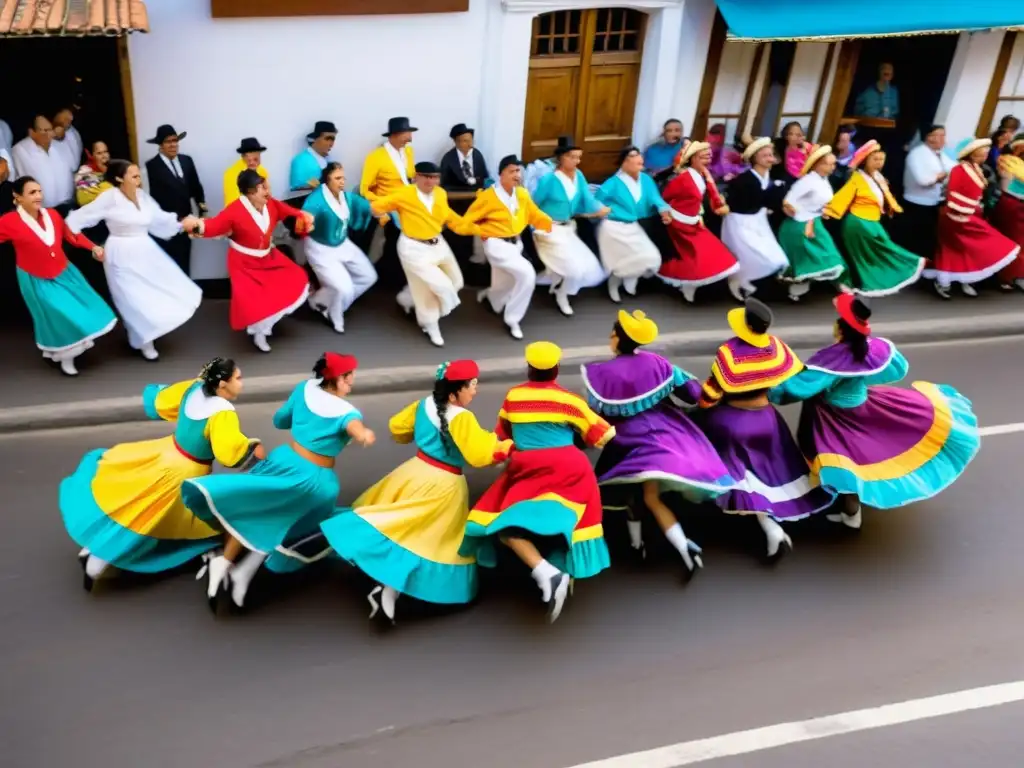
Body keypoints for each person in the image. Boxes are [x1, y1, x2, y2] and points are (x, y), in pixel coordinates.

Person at [320, 359, 512, 624]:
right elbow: (480, 455)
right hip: (444, 485)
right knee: (426, 543)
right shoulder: (462, 418)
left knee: (401, 531)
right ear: (458, 389)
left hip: (413, 473)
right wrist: (506, 446)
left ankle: (386, 588)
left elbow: (397, 427)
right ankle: (390, 591)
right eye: (472, 386)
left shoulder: (425, 404)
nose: (475, 392)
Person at [183, 353, 375, 612]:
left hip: (285, 459)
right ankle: (239, 569)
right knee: (281, 520)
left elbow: (280, 420)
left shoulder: (304, 389)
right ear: (335, 379)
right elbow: (353, 427)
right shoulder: (348, 413)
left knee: (259, 510)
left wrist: (301, 420)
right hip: (312, 481)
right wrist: (362, 434)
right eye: (348, 376)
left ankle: (228, 565)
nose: (352, 381)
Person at [769, 295, 979, 529]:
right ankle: (849, 509)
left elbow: (800, 387)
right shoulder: (872, 347)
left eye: (837, 320)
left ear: (841, 328)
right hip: (863, 404)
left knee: (846, 462)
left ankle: (850, 514)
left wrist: (768, 392)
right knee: (858, 458)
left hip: (838, 416)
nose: (834, 323)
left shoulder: (835, 358)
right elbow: (895, 368)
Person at [59, 358, 262, 591]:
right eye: (238, 378)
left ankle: (94, 547)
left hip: (164, 453)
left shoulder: (194, 387)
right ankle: (97, 563)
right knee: (148, 519)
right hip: (184, 472)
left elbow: (163, 400)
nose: (242, 383)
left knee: (131, 503)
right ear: (223, 384)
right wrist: (252, 448)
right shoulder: (223, 412)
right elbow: (229, 453)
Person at [461, 342, 615, 623]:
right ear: (555, 370)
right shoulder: (569, 401)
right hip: (570, 469)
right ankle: (555, 573)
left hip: (527, 469)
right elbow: (602, 435)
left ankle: (545, 571)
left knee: (505, 526)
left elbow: (502, 434)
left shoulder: (514, 397)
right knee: (567, 524)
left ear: (529, 369)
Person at [582, 310, 736, 578]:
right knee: (650, 497)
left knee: (636, 495)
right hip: (666, 434)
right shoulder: (660, 364)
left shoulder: (600, 374)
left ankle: (639, 543)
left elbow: (594, 416)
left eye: (613, 333)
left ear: (618, 339)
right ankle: (681, 546)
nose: (610, 337)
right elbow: (693, 394)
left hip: (628, 442)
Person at [691, 300, 837, 559]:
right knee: (769, 476)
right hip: (767, 420)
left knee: (742, 477)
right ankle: (772, 526)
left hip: (732, 422)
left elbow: (712, 392)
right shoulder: (776, 349)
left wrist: (701, 407)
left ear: (744, 325)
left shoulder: (728, 352)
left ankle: (770, 528)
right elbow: (788, 379)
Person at [66, 160, 203, 361]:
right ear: (120, 178)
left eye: (139, 175)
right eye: (134, 175)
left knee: (155, 291)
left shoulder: (143, 197)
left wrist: (182, 224)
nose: (139, 179)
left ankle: (144, 333)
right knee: (131, 297)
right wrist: (91, 246)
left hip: (146, 250)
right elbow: (77, 219)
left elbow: (160, 219)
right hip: (120, 252)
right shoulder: (108, 198)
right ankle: (143, 340)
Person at [0, 176, 116, 376]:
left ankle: (61, 351)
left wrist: (94, 247)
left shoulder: (53, 215)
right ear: (17, 197)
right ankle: (66, 357)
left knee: (81, 309)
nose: (38, 196)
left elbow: (71, 235)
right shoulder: (8, 221)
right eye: (32, 192)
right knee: (58, 315)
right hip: (35, 278)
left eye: (39, 191)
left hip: (64, 273)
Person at [190, 169, 314, 352]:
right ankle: (259, 333)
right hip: (244, 263)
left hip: (268, 258)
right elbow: (213, 226)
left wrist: (304, 216)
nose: (267, 191)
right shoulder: (233, 211)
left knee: (298, 278)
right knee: (255, 303)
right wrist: (196, 225)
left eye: (265, 186)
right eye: (261, 188)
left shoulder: (271, 205)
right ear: (249, 192)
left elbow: (290, 211)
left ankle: (265, 326)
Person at [370, 161, 480, 348]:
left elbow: (450, 218)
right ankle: (430, 324)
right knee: (439, 287)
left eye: (435, 177)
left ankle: (406, 298)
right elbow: (376, 207)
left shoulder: (440, 194)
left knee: (456, 282)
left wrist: (477, 227)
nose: (431, 181)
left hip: (438, 243)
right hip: (413, 248)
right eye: (427, 177)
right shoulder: (404, 194)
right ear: (416, 177)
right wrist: (384, 218)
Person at [462, 155, 553, 340]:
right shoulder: (488, 197)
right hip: (496, 244)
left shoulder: (522, 194)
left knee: (505, 280)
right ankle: (513, 319)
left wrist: (548, 225)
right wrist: (482, 231)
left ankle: (491, 299)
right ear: (501, 174)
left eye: (518, 171)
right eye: (512, 171)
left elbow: (534, 214)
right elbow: (468, 219)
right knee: (527, 274)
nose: (516, 175)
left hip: (515, 244)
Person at [823, 140, 925, 296]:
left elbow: (885, 197)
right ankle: (912, 263)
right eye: (875, 159)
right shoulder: (856, 178)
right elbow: (843, 197)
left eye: (881, 159)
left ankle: (856, 281)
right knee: (866, 254)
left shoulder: (878, 177)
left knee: (874, 252)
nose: (879, 163)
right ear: (865, 161)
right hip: (858, 222)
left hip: (872, 221)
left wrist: (892, 208)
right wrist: (829, 211)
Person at [925, 137, 1021, 299]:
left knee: (968, 250)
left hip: (971, 215)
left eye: (985, 153)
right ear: (972, 154)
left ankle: (966, 280)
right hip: (954, 217)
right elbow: (953, 194)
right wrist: (966, 211)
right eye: (982, 154)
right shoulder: (958, 170)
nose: (985, 156)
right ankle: (944, 282)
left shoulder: (977, 168)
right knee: (955, 248)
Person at [530, 135, 609, 316]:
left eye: (578, 157)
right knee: (573, 269)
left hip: (567, 228)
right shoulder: (549, 179)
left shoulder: (579, 176)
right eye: (572, 157)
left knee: (591, 268)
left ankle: (558, 285)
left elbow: (587, 199)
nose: (576, 161)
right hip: (549, 229)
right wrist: (536, 226)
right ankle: (561, 295)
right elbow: (534, 204)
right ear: (561, 158)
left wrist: (600, 208)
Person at [657, 139, 739, 303]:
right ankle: (688, 286)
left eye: (708, 158)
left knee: (714, 253)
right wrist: (667, 214)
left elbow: (713, 198)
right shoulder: (683, 178)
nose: (707, 161)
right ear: (693, 158)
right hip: (679, 224)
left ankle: (691, 286)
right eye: (703, 158)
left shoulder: (705, 176)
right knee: (692, 256)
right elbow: (665, 197)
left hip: (694, 222)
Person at [301, 162, 377, 333]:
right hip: (321, 248)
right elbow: (306, 215)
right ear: (327, 180)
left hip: (342, 243)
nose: (342, 182)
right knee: (344, 288)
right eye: (337, 178)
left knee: (368, 277)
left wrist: (388, 207)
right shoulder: (316, 200)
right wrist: (307, 221)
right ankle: (334, 316)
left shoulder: (345, 197)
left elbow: (365, 205)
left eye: (343, 178)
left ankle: (322, 301)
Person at [595, 146, 673, 303]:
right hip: (615, 227)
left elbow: (655, 198)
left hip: (638, 225)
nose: (639, 158)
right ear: (624, 162)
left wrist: (664, 209)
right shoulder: (613, 183)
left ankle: (630, 279)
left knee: (650, 258)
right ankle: (614, 284)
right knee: (621, 260)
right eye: (633, 155)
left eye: (640, 155)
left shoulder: (646, 179)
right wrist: (606, 212)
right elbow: (596, 202)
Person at [721, 136, 790, 301]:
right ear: (755, 159)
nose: (769, 159)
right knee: (752, 256)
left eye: (770, 155)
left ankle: (744, 282)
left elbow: (770, 200)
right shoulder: (743, 181)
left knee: (775, 258)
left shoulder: (771, 180)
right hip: (740, 222)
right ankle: (740, 281)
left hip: (758, 221)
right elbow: (738, 202)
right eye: (764, 155)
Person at [778, 144, 846, 302]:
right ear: (818, 164)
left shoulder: (824, 180)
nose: (833, 167)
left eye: (834, 163)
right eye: (830, 164)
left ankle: (837, 283)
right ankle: (800, 287)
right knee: (813, 256)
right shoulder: (807, 181)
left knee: (827, 253)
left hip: (814, 222)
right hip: (801, 226)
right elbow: (788, 200)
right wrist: (792, 210)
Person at [361, 117, 418, 289]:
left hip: (407, 204)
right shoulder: (375, 157)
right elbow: (365, 189)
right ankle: (388, 278)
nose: (410, 138)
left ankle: (401, 276)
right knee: (397, 241)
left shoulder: (408, 152)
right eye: (406, 134)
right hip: (389, 207)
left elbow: (410, 177)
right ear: (394, 135)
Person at [144, 124, 207, 275]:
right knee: (169, 263)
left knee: (185, 259)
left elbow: (196, 186)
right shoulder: (151, 166)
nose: (173, 145)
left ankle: (187, 296)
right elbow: (150, 197)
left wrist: (201, 210)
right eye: (168, 141)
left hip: (187, 221)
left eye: (175, 140)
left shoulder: (186, 161)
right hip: (165, 223)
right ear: (160, 145)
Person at [896, 125, 955, 260]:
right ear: (930, 137)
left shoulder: (940, 153)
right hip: (916, 203)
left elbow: (952, 167)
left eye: (944, 135)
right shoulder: (917, 154)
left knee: (927, 240)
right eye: (940, 135)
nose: (943, 139)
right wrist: (939, 176)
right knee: (912, 239)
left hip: (933, 203)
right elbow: (923, 180)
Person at [438, 123, 491, 273]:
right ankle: (459, 262)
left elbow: (484, 176)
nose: (469, 144)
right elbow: (444, 186)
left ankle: (478, 262)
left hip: (476, 200)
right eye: (465, 141)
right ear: (456, 142)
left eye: (470, 140)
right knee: (458, 233)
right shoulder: (448, 159)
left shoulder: (477, 155)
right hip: (457, 202)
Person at [11, 114, 76, 213]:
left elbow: (73, 167)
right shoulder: (18, 151)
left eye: (50, 130)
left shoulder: (60, 145)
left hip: (67, 207)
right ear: (32, 132)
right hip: (39, 211)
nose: (48, 134)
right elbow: (13, 182)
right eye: (44, 130)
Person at [993, 136, 1024, 291]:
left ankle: (1017, 274)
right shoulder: (1007, 162)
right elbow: (1006, 187)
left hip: (1018, 205)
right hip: (1012, 204)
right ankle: (1005, 277)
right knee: (1013, 241)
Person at [288, 121, 336, 204]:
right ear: (315, 139)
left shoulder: (328, 160)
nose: (331, 144)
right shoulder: (300, 160)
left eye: (333, 140)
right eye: (328, 139)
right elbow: (296, 190)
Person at [224, 137, 269, 206]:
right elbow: (233, 203)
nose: (252, 163)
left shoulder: (262, 171)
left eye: (256, 159)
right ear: (243, 157)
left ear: (259, 155)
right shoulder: (231, 174)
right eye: (249, 160)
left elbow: (268, 194)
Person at [74, 140, 113, 206]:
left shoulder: (115, 169)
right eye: (99, 153)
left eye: (105, 152)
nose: (104, 156)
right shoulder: (84, 173)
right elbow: (83, 200)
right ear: (91, 156)